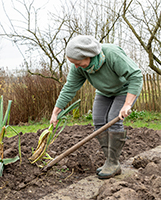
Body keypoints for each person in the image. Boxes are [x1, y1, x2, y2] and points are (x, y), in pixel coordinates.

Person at [50, 35, 143, 179]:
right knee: (99, 120)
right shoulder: (79, 68)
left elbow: (136, 75)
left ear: (88, 55)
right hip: (104, 92)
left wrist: (127, 104)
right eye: (73, 63)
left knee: (113, 120)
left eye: (78, 62)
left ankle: (112, 162)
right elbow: (70, 87)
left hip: (124, 90)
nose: (75, 66)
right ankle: (110, 162)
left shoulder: (112, 54)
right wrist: (56, 111)